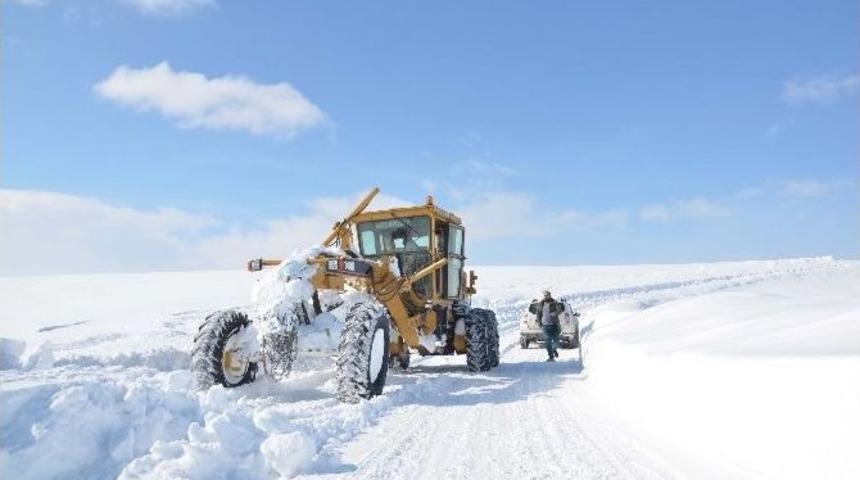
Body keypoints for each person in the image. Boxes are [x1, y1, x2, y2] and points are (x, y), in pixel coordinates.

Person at [529, 290, 564, 361]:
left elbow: (561, 309)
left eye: (547, 295)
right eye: (545, 295)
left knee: (556, 341)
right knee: (547, 341)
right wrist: (540, 324)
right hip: (545, 326)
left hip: (554, 325)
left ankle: (553, 349)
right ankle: (551, 357)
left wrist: (556, 312)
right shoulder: (540, 304)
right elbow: (538, 314)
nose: (546, 296)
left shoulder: (554, 303)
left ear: (550, 295)